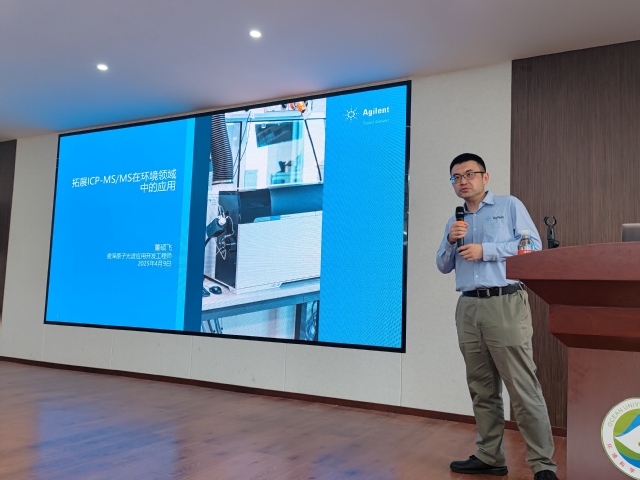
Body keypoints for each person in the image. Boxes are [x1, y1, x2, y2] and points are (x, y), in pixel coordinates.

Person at [436, 153, 559, 480]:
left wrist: (485, 251)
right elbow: (443, 265)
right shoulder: (454, 221)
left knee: (522, 386)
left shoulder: (509, 206)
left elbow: (531, 247)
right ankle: (490, 456)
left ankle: (543, 465)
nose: (463, 181)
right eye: (456, 177)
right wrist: (450, 241)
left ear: (485, 177)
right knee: (482, 387)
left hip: (504, 302)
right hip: (468, 307)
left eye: (469, 174)